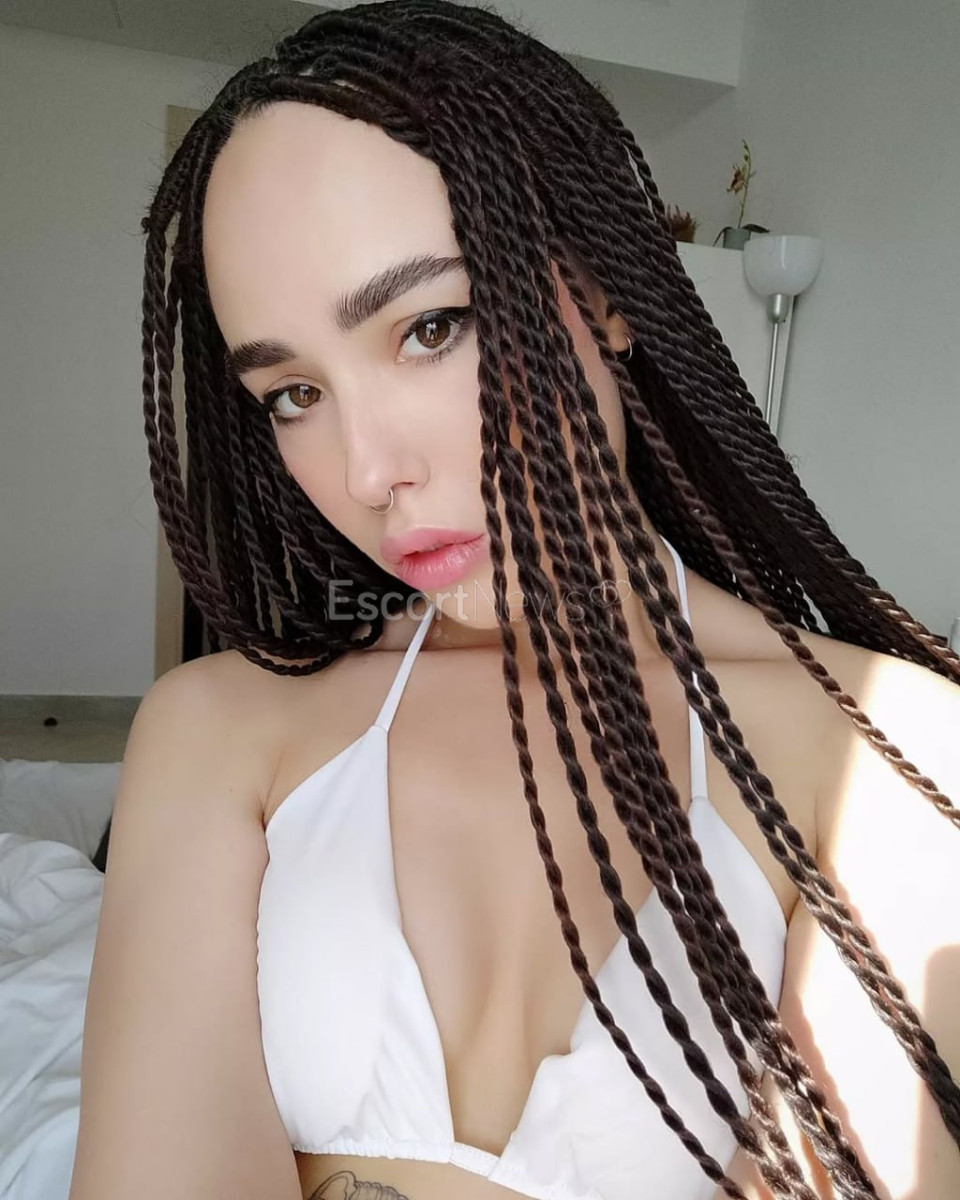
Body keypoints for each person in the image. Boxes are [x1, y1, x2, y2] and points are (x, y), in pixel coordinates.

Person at [68, 3, 960, 1199]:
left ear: (601, 292)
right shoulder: (220, 727)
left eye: (430, 327)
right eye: (293, 394)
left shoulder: (888, 747)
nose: (367, 472)